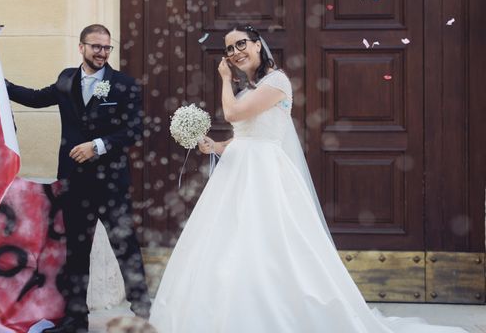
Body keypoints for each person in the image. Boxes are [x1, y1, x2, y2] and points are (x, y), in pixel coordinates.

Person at [149, 25, 467, 333]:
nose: (235, 52)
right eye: (230, 48)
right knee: (228, 241)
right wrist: (214, 145)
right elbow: (242, 134)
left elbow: (233, 115)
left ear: (258, 44)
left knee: (268, 242)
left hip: (263, 174)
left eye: (241, 44)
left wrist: (223, 79)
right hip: (237, 168)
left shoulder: (276, 82)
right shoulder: (250, 89)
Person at [6, 24, 151, 333]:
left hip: (111, 184)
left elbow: (134, 130)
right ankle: (75, 321)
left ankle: (143, 313)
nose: (101, 52)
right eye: (95, 46)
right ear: (81, 47)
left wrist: (98, 146)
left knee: (125, 248)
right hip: (73, 184)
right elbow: (34, 98)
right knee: (76, 254)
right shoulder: (66, 80)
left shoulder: (124, 85)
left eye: (106, 48)